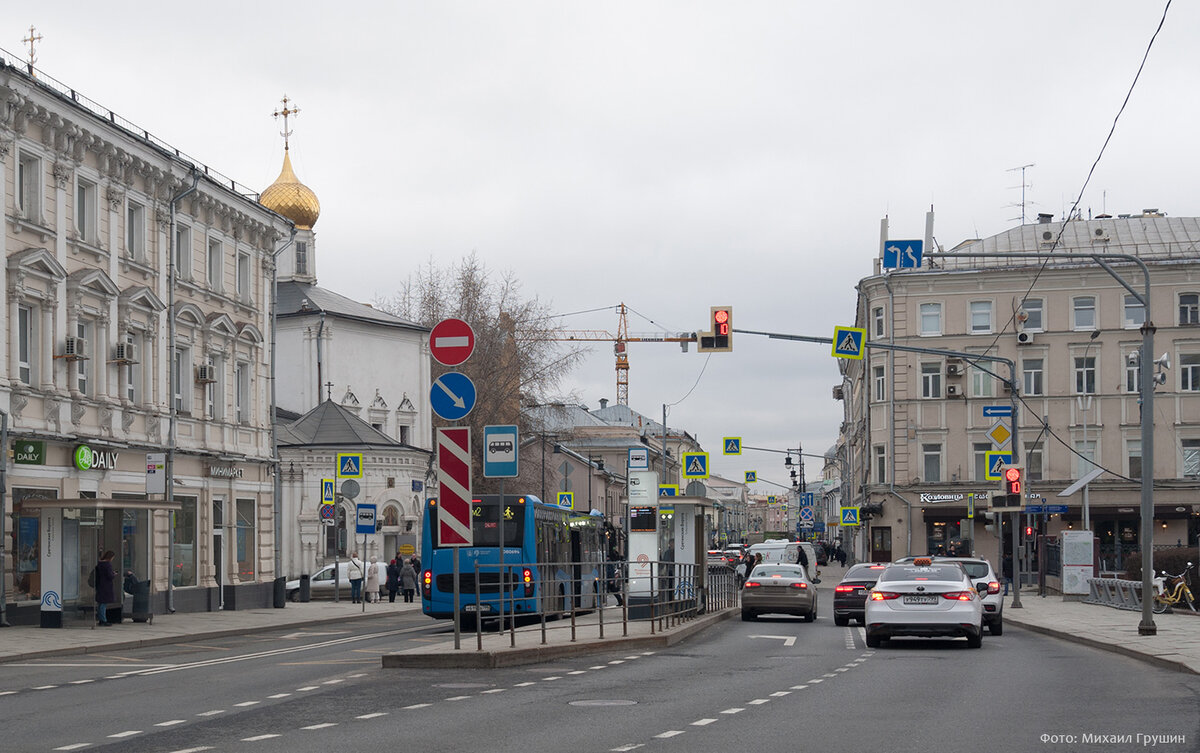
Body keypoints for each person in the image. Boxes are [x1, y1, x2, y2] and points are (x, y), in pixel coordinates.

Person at [94, 550, 117, 626]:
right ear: (110, 557)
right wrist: (114, 574)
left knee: (101, 603)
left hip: (100, 585)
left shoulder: (99, 563)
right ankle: (103, 620)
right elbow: (109, 576)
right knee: (103, 604)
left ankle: (101, 619)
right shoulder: (107, 564)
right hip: (106, 586)